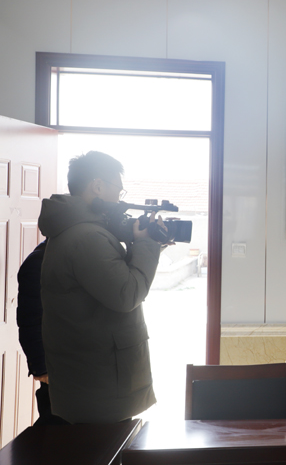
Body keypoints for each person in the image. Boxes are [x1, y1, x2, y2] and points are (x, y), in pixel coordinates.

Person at [38, 151, 166, 424]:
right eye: (118, 189)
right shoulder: (88, 237)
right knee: (100, 447)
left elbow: (110, 280)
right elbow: (127, 294)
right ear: (97, 186)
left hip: (93, 380)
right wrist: (147, 244)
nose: (119, 198)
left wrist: (142, 245)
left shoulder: (78, 230)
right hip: (100, 386)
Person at [16, 241, 68, 425]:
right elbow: (30, 318)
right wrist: (41, 366)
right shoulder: (40, 260)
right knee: (56, 426)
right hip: (56, 367)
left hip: (79, 364)